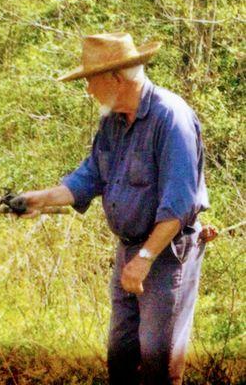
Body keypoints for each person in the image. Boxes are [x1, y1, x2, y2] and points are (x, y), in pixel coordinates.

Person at [11, 33, 217, 384]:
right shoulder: (113, 122)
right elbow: (89, 177)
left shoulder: (172, 119)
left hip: (165, 255)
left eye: (90, 81)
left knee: (159, 365)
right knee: (121, 358)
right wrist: (38, 200)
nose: (89, 90)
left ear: (116, 79)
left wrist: (145, 258)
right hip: (130, 251)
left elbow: (179, 204)